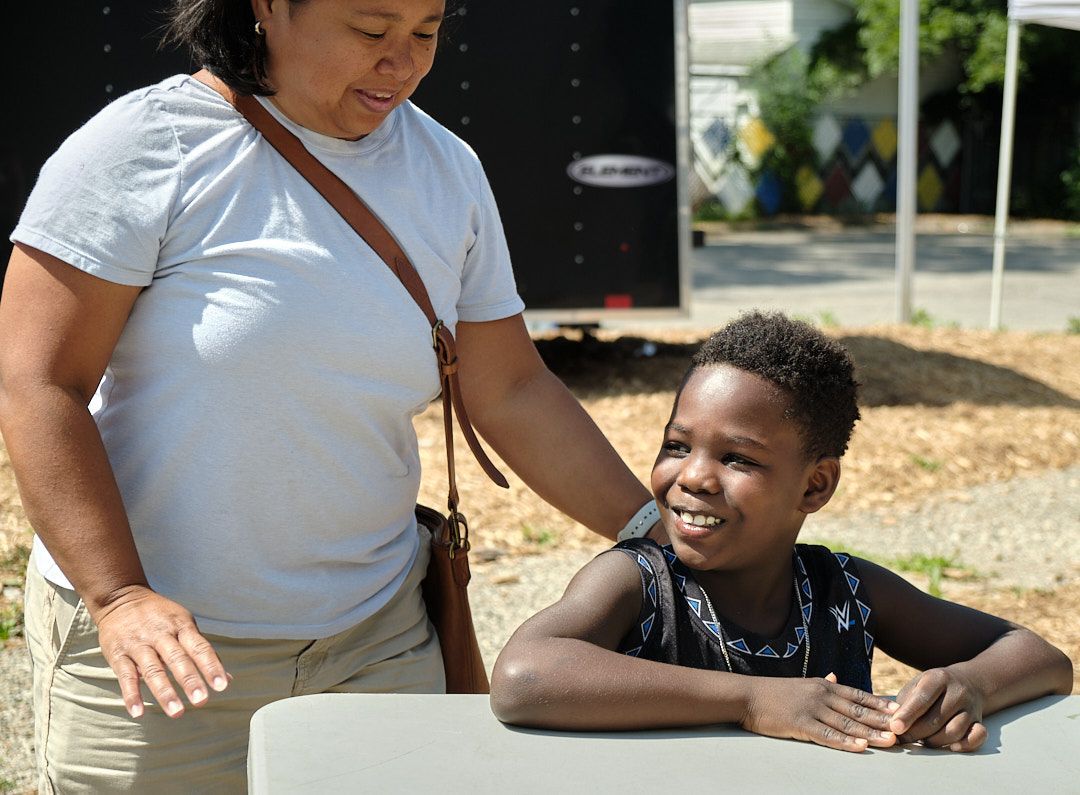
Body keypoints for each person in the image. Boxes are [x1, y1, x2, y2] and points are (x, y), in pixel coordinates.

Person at [0, 0, 663, 790]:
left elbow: (514, 388)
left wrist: (657, 538)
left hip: (376, 644)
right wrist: (119, 597)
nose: (404, 62)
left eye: (426, 32)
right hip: (161, 663)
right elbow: (39, 383)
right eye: (371, 30)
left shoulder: (447, 169)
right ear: (266, 8)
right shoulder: (145, 147)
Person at [490, 311, 1073, 753]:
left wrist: (967, 686)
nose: (693, 476)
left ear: (815, 486)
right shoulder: (638, 582)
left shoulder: (844, 592)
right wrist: (753, 699)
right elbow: (524, 676)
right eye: (676, 445)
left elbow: (1041, 657)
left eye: (738, 459)